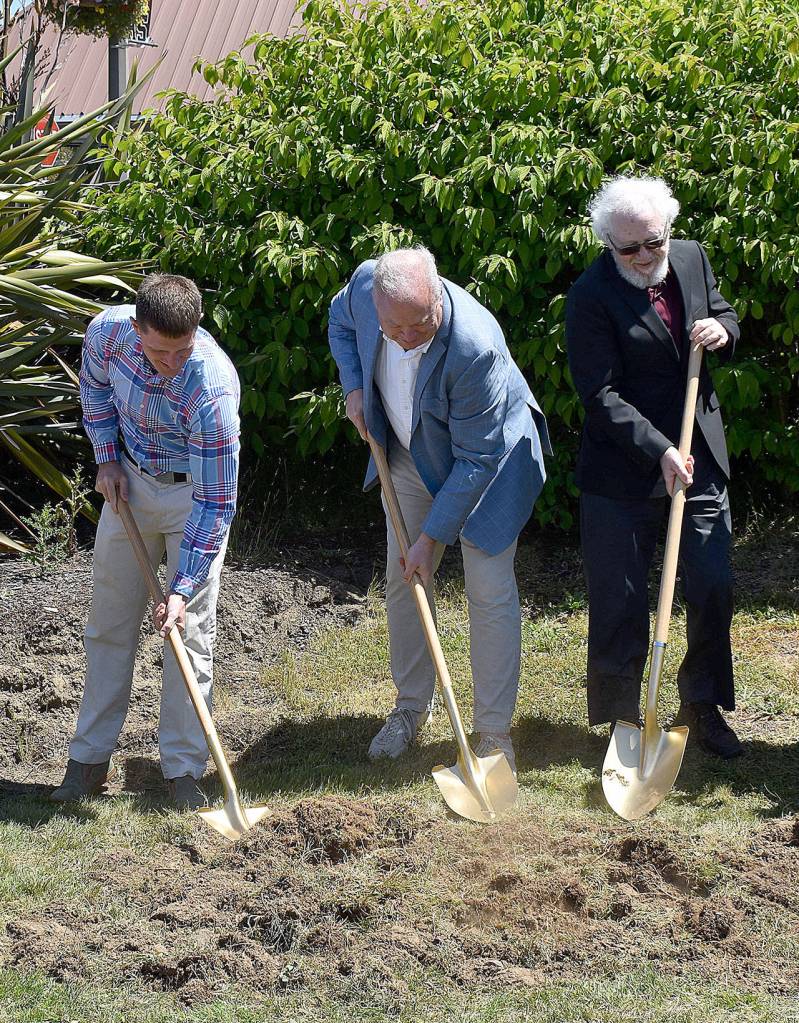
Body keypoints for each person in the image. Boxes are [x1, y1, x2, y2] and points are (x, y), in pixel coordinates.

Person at [328, 247, 550, 773]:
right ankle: (409, 709)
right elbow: (340, 324)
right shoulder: (364, 289)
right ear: (377, 304)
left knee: (488, 587)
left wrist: (432, 538)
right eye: (394, 326)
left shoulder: (474, 345)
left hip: (489, 463)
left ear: (438, 296)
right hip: (407, 452)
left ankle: (492, 733)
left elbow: (477, 459)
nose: (407, 336)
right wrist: (354, 386)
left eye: (420, 324)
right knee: (405, 579)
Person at [566, 175, 743, 759]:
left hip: (698, 453)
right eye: (630, 249)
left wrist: (723, 328)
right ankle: (623, 720)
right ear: (607, 244)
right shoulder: (590, 297)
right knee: (618, 595)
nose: (645, 258)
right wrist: (659, 450)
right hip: (623, 466)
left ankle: (703, 705)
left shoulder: (690, 259)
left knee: (712, 580)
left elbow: (723, 313)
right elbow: (601, 395)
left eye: (654, 243)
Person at [50, 274, 241, 807]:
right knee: (109, 625)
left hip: (193, 499)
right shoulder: (108, 335)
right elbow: (94, 388)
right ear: (137, 330)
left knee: (191, 633)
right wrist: (107, 456)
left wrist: (180, 591)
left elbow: (217, 502)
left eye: (183, 349)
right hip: (128, 487)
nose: (173, 362)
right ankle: (87, 762)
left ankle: (183, 772)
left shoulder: (212, 387)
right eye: (161, 351)